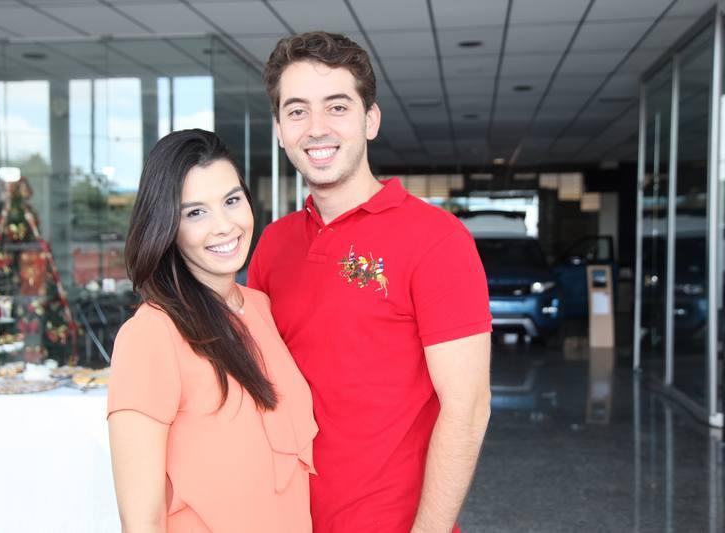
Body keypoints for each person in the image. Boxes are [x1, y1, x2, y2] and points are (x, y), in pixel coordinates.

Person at [248, 32, 492, 533]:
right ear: (279, 130)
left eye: (337, 107)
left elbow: (467, 410)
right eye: (297, 111)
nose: (317, 128)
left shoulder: (437, 240)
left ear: (370, 120)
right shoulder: (273, 244)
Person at [107, 129, 317, 533]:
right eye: (195, 213)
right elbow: (142, 521)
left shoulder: (261, 308)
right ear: (167, 227)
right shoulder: (151, 335)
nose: (224, 226)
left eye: (231, 201)